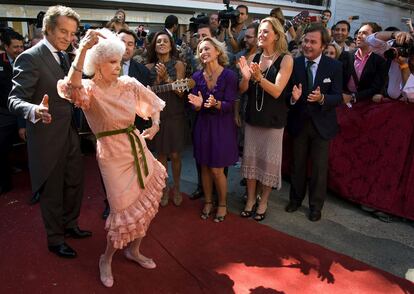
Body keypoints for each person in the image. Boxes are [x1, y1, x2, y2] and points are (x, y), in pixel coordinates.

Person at [57, 28, 167, 287]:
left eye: (119, 61)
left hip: (137, 148)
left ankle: (134, 250)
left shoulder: (129, 84)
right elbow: (69, 88)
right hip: (111, 154)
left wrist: (155, 124)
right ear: (97, 63)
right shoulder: (88, 89)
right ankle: (106, 259)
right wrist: (83, 49)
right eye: (111, 62)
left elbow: (154, 104)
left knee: (146, 206)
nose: (118, 67)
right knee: (121, 210)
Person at [8, 5, 91, 258]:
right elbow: (14, 99)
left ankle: (70, 225)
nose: (68, 38)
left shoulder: (67, 56)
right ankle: (55, 239)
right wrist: (34, 111)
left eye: (72, 33)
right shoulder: (30, 57)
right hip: (45, 136)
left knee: (75, 182)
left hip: (70, 132)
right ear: (48, 29)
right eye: (63, 32)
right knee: (52, 190)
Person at [286, 24, 343, 222]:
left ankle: (315, 206)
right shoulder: (294, 63)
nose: (308, 45)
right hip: (299, 123)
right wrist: (293, 98)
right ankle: (295, 200)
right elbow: (286, 95)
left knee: (319, 169)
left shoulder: (334, 66)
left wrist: (322, 99)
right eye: (306, 41)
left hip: (322, 125)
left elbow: (338, 96)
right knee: (297, 165)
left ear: (323, 45)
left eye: (313, 42)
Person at [238, 17, 293, 221]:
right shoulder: (255, 57)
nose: (261, 35)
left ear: (277, 35)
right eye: (259, 31)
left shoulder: (286, 59)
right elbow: (243, 90)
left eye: (265, 31)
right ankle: (251, 199)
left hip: (273, 121)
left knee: (268, 165)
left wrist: (259, 78)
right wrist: (245, 77)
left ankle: (263, 202)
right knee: (251, 164)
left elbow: (278, 91)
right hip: (253, 119)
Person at [188, 36, 238, 222]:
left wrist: (216, 103)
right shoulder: (195, 77)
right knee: (205, 167)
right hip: (203, 126)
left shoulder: (230, 76)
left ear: (218, 51)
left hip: (222, 127)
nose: (204, 53)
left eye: (207, 49)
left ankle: (222, 204)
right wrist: (199, 105)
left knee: (217, 170)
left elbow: (230, 104)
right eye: (201, 50)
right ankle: (208, 202)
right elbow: (194, 104)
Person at [146, 31, 186, 207]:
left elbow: (180, 91)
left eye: (165, 41)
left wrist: (167, 77)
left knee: (176, 154)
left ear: (171, 45)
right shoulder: (147, 67)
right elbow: (148, 94)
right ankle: (163, 189)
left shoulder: (178, 64)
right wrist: (158, 79)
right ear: (154, 46)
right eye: (158, 41)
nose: (162, 43)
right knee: (161, 154)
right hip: (158, 116)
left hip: (175, 114)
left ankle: (176, 187)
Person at [0, 30, 24, 195]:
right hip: (5, 113)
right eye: (15, 47)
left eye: (21, 46)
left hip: (25, 111)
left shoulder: (27, 60)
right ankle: (4, 184)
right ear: (6, 46)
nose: (19, 50)